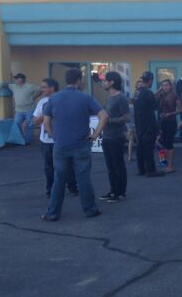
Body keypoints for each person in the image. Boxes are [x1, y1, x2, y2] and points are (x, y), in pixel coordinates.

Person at [41, 68, 108, 221]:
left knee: (59, 179)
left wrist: (54, 136)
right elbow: (104, 116)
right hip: (81, 144)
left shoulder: (54, 98)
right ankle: (90, 210)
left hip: (61, 145)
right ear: (78, 80)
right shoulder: (86, 98)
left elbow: (46, 121)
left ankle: (53, 213)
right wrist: (95, 134)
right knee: (83, 178)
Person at [33, 78, 78, 198]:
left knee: (67, 164)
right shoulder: (42, 102)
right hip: (46, 140)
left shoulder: (63, 99)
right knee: (49, 166)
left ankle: (72, 187)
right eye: (41, 87)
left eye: (44, 87)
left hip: (63, 139)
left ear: (52, 88)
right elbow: (35, 122)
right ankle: (51, 189)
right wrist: (44, 114)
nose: (42, 90)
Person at [99, 71, 131, 203]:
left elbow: (127, 117)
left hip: (116, 137)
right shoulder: (109, 98)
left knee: (118, 165)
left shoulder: (121, 98)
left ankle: (120, 192)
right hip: (107, 136)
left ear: (112, 82)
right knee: (110, 167)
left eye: (105, 81)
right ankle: (113, 190)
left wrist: (110, 121)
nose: (103, 83)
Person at [134, 72, 164, 178]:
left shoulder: (137, 92)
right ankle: (151, 170)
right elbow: (154, 106)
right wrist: (159, 98)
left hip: (139, 124)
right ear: (150, 80)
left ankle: (141, 169)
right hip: (148, 124)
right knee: (148, 148)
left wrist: (157, 92)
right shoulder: (148, 93)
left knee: (140, 147)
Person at [156, 79, 182, 173]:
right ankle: (165, 162)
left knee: (169, 144)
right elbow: (152, 99)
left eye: (166, 85)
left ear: (170, 86)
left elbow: (180, 109)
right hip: (162, 122)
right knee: (161, 142)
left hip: (171, 122)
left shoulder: (174, 95)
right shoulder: (161, 95)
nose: (165, 87)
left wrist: (170, 114)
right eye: (163, 85)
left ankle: (171, 166)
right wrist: (159, 90)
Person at [9, 73, 41, 145]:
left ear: (21, 79)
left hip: (29, 109)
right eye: (15, 78)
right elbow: (6, 85)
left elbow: (41, 90)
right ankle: (21, 139)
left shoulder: (30, 86)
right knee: (17, 123)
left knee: (30, 125)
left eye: (17, 78)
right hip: (19, 110)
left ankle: (28, 140)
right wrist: (1, 86)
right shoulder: (13, 86)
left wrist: (35, 97)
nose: (15, 80)